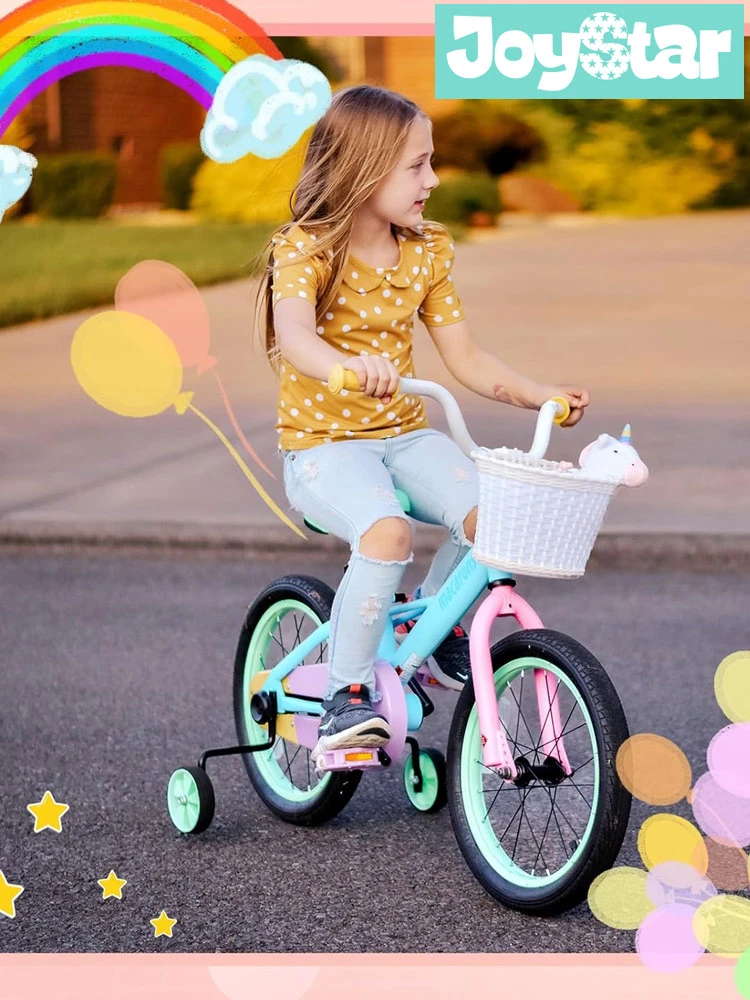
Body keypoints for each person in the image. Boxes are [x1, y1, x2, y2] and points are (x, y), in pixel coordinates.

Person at [256, 85, 589, 754]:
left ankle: (425, 630)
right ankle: (347, 695)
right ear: (363, 166)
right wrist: (342, 366)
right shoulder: (307, 249)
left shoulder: (426, 251)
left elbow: (464, 357)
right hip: (325, 447)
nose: (433, 180)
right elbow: (294, 334)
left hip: (404, 435)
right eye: (417, 165)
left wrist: (537, 393)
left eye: (431, 162)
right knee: (386, 531)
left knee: (497, 515)